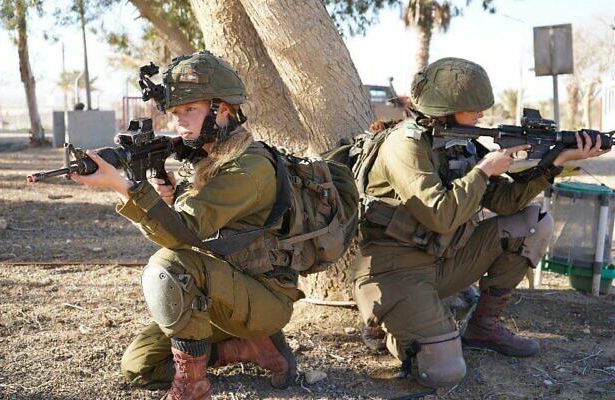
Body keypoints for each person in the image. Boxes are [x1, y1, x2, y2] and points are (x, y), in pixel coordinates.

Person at [352, 57, 608, 389]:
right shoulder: (405, 145)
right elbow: (441, 215)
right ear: (446, 107)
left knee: (534, 222)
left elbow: (504, 202)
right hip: (394, 272)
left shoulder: (459, 141)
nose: (481, 115)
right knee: (444, 372)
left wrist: (555, 162)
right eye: (474, 108)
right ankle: (396, 329)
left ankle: (483, 328)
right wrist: (484, 170)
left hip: (443, 261)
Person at [71, 51, 302, 400]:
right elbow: (191, 224)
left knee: (168, 265)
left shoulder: (248, 166)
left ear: (222, 109)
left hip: (263, 298)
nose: (180, 121)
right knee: (141, 367)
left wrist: (124, 188)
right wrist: (166, 197)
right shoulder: (208, 158)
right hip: (218, 294)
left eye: (190, 110)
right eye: (177, 113)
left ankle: (193, 387)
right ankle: (249, 349)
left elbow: (180, 235)